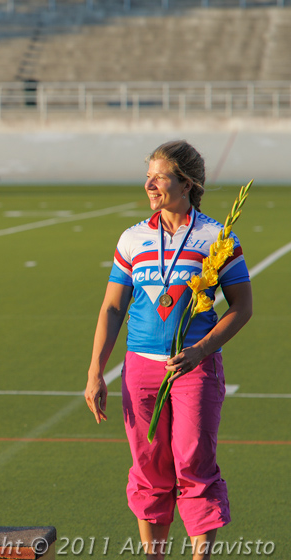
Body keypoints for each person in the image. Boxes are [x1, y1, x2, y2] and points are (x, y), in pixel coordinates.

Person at [84, 140, 252, 560]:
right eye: (148, 177)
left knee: (194, 463)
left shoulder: (216, 238)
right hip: (140, 368)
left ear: (186, 183)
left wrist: (201, 350)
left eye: (159, 177)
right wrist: (95, 371)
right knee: (148, 466)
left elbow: (242, 307)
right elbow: (112, 308)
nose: (149, 185)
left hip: (195, 368)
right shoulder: (133, 238)